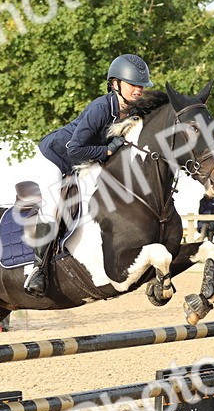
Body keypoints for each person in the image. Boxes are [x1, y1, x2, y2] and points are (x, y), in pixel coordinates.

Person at [25, 53, 155, 297]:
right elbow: (74, 149)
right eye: (133, 84)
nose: (139, 89)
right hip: (56, 156)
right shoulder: (101, 108)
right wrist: (107, 151)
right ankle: (37, 270)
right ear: (115, 84)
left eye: (141, 85)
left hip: (86, 161)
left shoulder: (135, 111)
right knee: (52, 207)